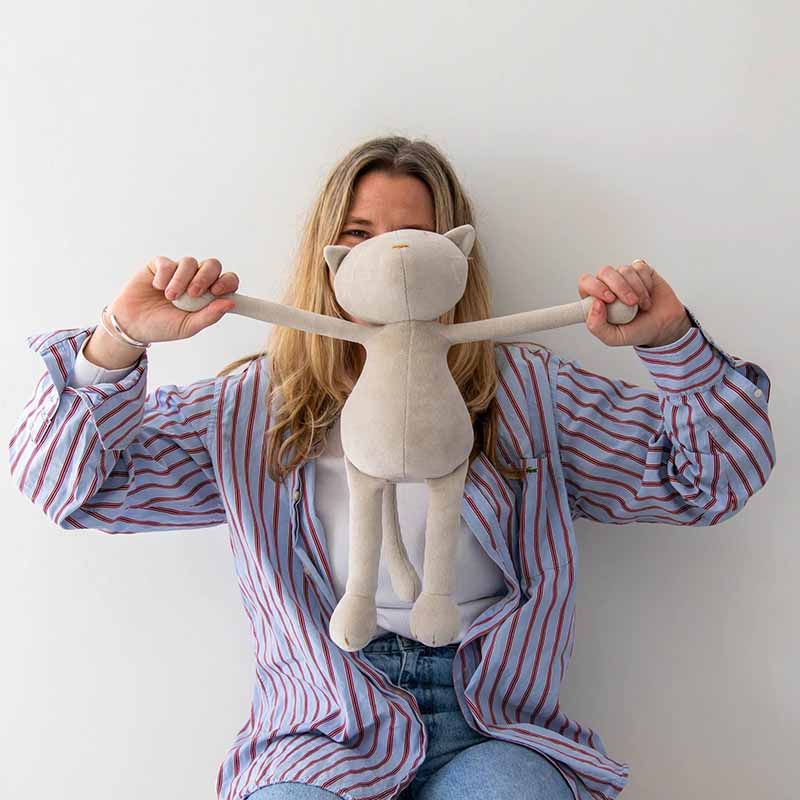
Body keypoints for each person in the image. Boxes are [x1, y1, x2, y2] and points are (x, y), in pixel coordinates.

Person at [9, 136, 776, 800]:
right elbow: (70, 487)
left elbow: (708, 479)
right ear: (330, 257)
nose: (394, 259)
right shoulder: (250, 409)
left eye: (415, 234)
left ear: (456, 255)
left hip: (494, 723)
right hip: (320, 726)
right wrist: (116, 340)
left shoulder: (531, 394)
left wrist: (671, 341)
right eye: (362, 234)